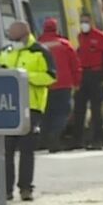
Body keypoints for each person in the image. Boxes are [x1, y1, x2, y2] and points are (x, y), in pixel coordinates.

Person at [0, 21, 56, 202]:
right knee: (5, 150)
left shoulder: (40, 51)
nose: (12, 40)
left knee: (27, 150)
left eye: (15, 37)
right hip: (8, 106)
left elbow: (50, 76)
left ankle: (26, 188)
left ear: (25, 35)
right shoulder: (6, 51)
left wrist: (24, 76)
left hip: (31, 107)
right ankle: (4, 189)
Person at [38, 17, 82, 153]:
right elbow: (75, 65)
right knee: (62, 112)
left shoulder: (38, 45)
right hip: (63, 84)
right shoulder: (64, 44)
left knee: (46, 113)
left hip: (44, 84)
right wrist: (77, 82)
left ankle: (46, 138)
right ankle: (54, 135)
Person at [72, 12, 103, 151]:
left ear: (91, 22)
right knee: (79, 109)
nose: (84, 24)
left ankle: (97, 140)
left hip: (95, 74)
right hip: (83, 75)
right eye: (82, 21)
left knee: (96, 110)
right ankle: (79, 139)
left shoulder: (100, 37)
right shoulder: (80, 37)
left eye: (86, 21)